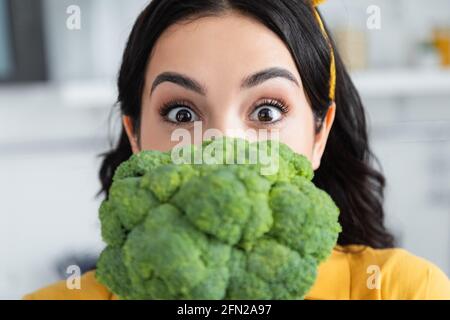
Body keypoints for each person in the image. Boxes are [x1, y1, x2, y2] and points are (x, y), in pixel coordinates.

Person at [24, 0, 450, 300]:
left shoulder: (404, 290)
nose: (223, 145)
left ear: (319, 135)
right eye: (181, 113)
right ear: (135, 139)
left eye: (266, 112)